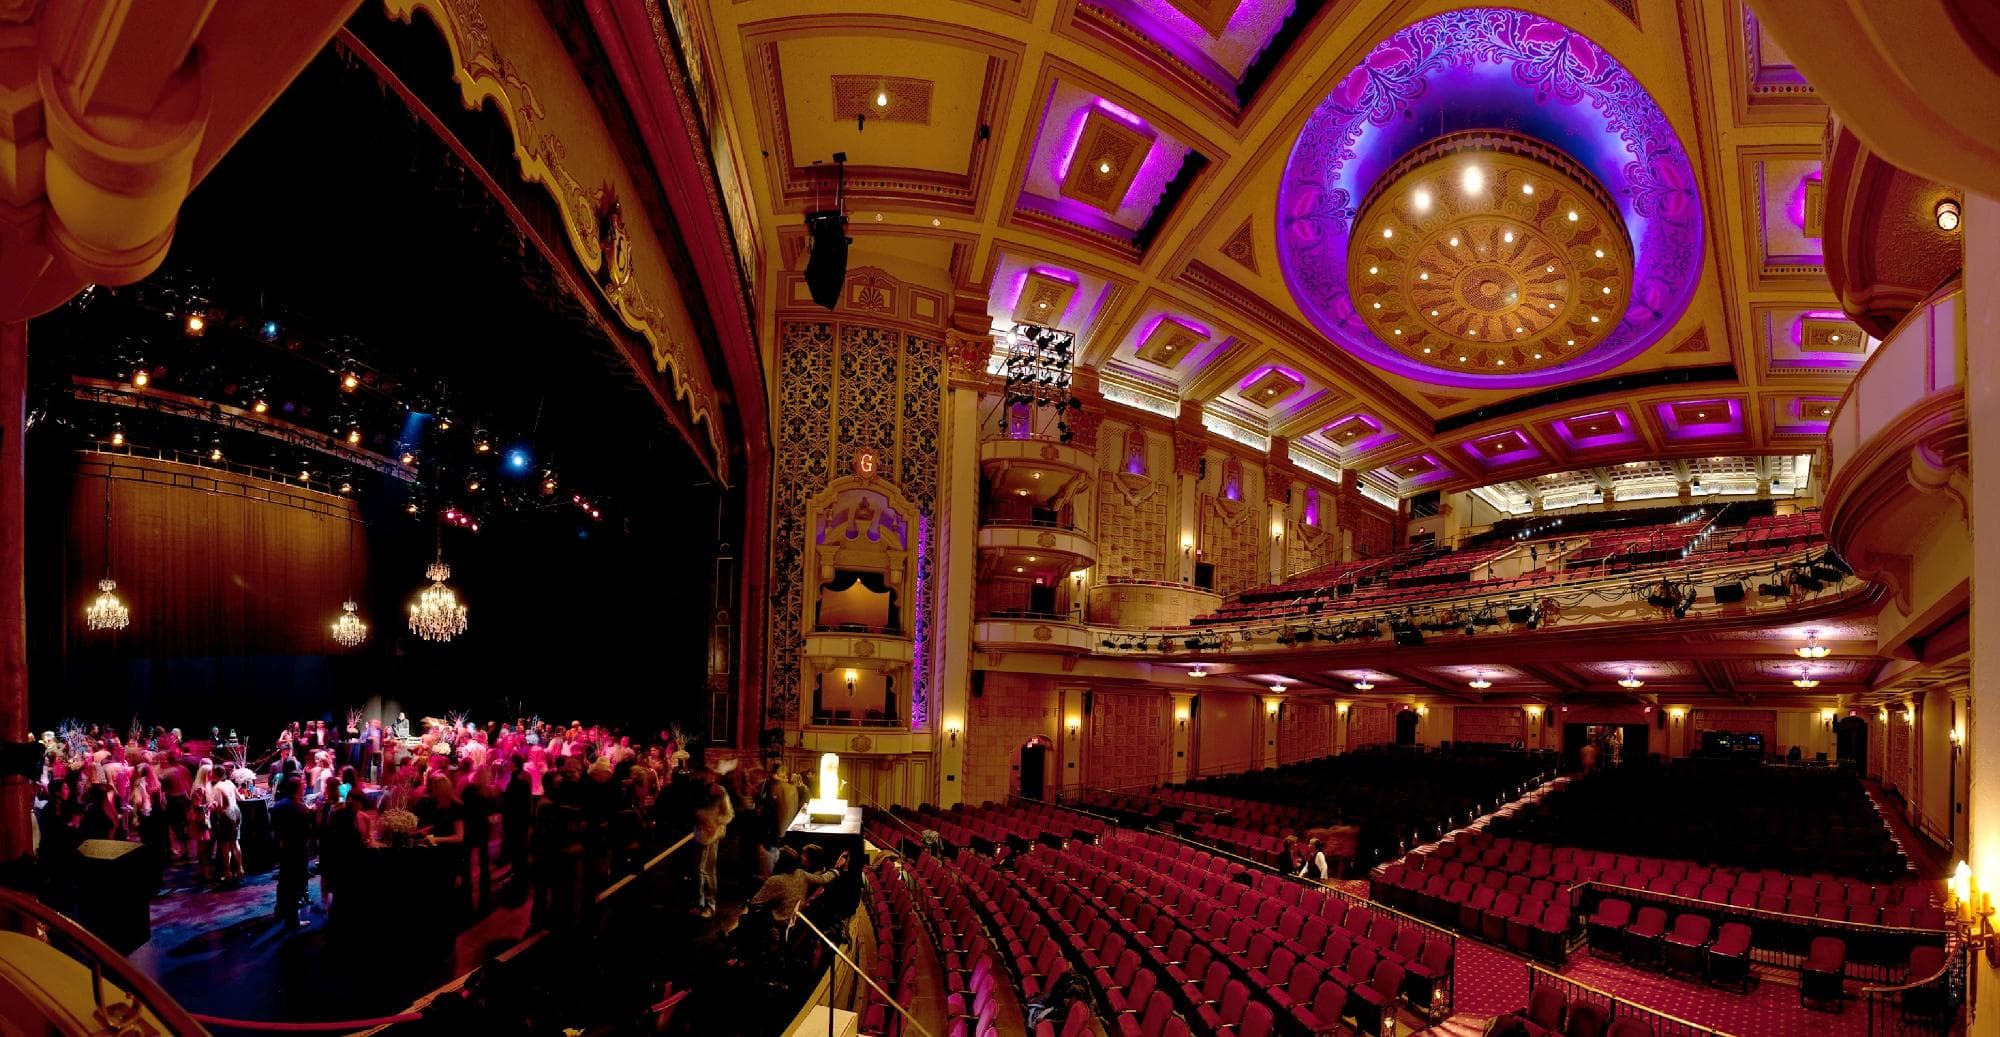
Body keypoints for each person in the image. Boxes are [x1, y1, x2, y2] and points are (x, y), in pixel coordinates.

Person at [691, 770, 733, 918]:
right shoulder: (697, 790)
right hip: (699, 834)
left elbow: (728, 814)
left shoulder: (720, 792)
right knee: (698, 870)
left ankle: (710, 904)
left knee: (707, 870)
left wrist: (715, 824)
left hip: (712, 836)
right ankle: (700, 903)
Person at [271, 775, 311, 928]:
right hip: (297, 850)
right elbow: (307, 831)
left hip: (284, 848)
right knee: (295, 885)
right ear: (298, 789)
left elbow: (274, 827)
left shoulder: (278, 806)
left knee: (283, 881)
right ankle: (292, 920)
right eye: (302, 786)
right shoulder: (301, 808)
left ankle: (279, 911)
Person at [209, 765, 245, 885]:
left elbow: (219, 806)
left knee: (225, 845)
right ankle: (240, 869)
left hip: (226, 816)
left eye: (212, 772)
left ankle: (227, 872)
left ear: (215, 774)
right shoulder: (229, 783)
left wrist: (210, 807)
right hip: (237, 813)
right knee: (235, 842)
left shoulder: (217, 787)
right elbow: (240, 798)